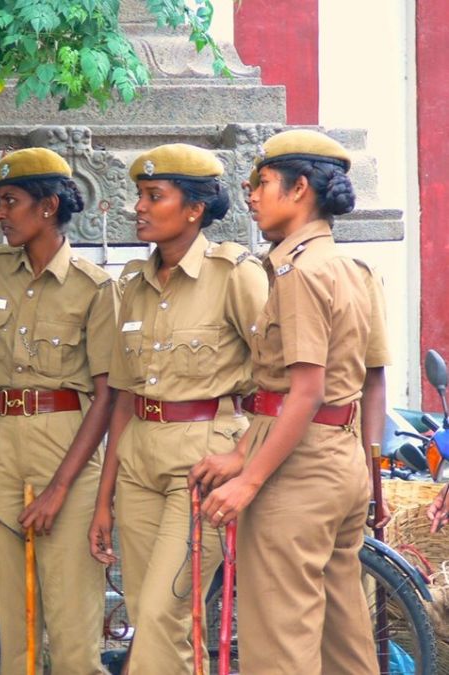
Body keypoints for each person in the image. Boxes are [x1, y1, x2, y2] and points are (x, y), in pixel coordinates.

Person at [190, 129, 391, 673]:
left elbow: (303, 392)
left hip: (298, 473)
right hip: (338, 460)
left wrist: (249, 479)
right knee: (343, 640)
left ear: (299, 187)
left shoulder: (298, 272)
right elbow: (365, 381)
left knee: (279, 644)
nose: (250, 194)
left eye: (262, 183)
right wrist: (239, 456)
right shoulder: (349, 268)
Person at [87, 143, 268, 674]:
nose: (137, 207)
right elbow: (123, 396)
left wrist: (243, 456)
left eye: (153, 196)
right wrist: (104, 499)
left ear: (193, 209)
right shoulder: (131, 284)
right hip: (138, 456)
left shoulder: (235, 274)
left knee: (166, 612)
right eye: (138, 195)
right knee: (154, 615)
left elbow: (281, 378)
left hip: (203, 458)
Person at [0, 147, 116, 674]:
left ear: (48, 207)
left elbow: (108, 396)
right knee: (13, 629)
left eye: (10, 201)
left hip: (66, 444)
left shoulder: (95, 287)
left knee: (71, 630)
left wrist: (60, 487)